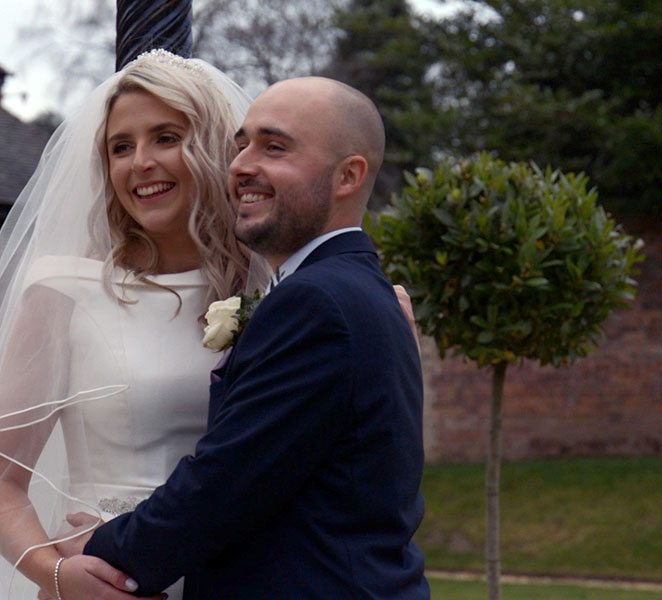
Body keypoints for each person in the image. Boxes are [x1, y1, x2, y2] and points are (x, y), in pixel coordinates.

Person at [81, 77, 430, 599]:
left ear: (348, 176)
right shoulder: (353, 290)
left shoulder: (317, 302)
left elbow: (223, 485)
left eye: (275, 147)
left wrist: (98, 555)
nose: (242, 165)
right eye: (241, 144)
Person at [0, 49, 260, 600]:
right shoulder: (62, 291)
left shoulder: (267, 293)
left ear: (214, 147)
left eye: (167, 137)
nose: (140, 162)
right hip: (106, 583)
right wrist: (57, 575)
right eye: (120, 147)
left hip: (239, 579)